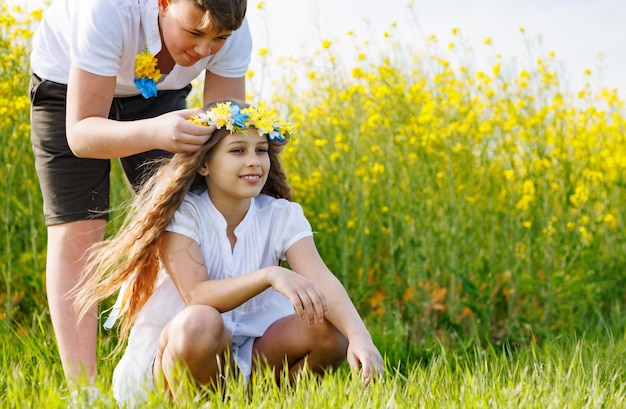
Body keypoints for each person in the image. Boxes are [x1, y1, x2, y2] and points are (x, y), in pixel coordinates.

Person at [74, 99, 385, 406]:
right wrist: (271, 275)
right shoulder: (183, 214)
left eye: (260, 150)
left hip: (256, 349)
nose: (254, 161)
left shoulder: (282, 214)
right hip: (184, 353)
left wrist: (360, 337)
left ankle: (261, 401)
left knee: (331, 329)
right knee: (201, 321)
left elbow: (321, 278)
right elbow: (197, 295)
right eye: (238, 150)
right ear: (205, 164)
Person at [28, 0, 252, 385]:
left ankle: (168, 365)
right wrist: (154, 132)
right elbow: (81, 135)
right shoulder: (107, 10)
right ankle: (84, 389)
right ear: (164, 3)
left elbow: (224, 135)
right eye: (195, 33)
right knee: (78, 229)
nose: (204, 50)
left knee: (188, 215)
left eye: (219, 38)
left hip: (160, 95)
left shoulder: (232, 28)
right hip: (67, 87)